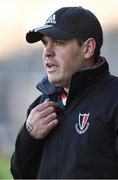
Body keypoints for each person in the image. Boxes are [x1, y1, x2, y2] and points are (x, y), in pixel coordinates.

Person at [10, 6, 118, 179]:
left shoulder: (114, 99)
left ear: (88, 48)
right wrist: (29, 136)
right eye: (45, 43)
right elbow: (21, 175)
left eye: (59, 42)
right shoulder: (39, 106)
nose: (47, 52)